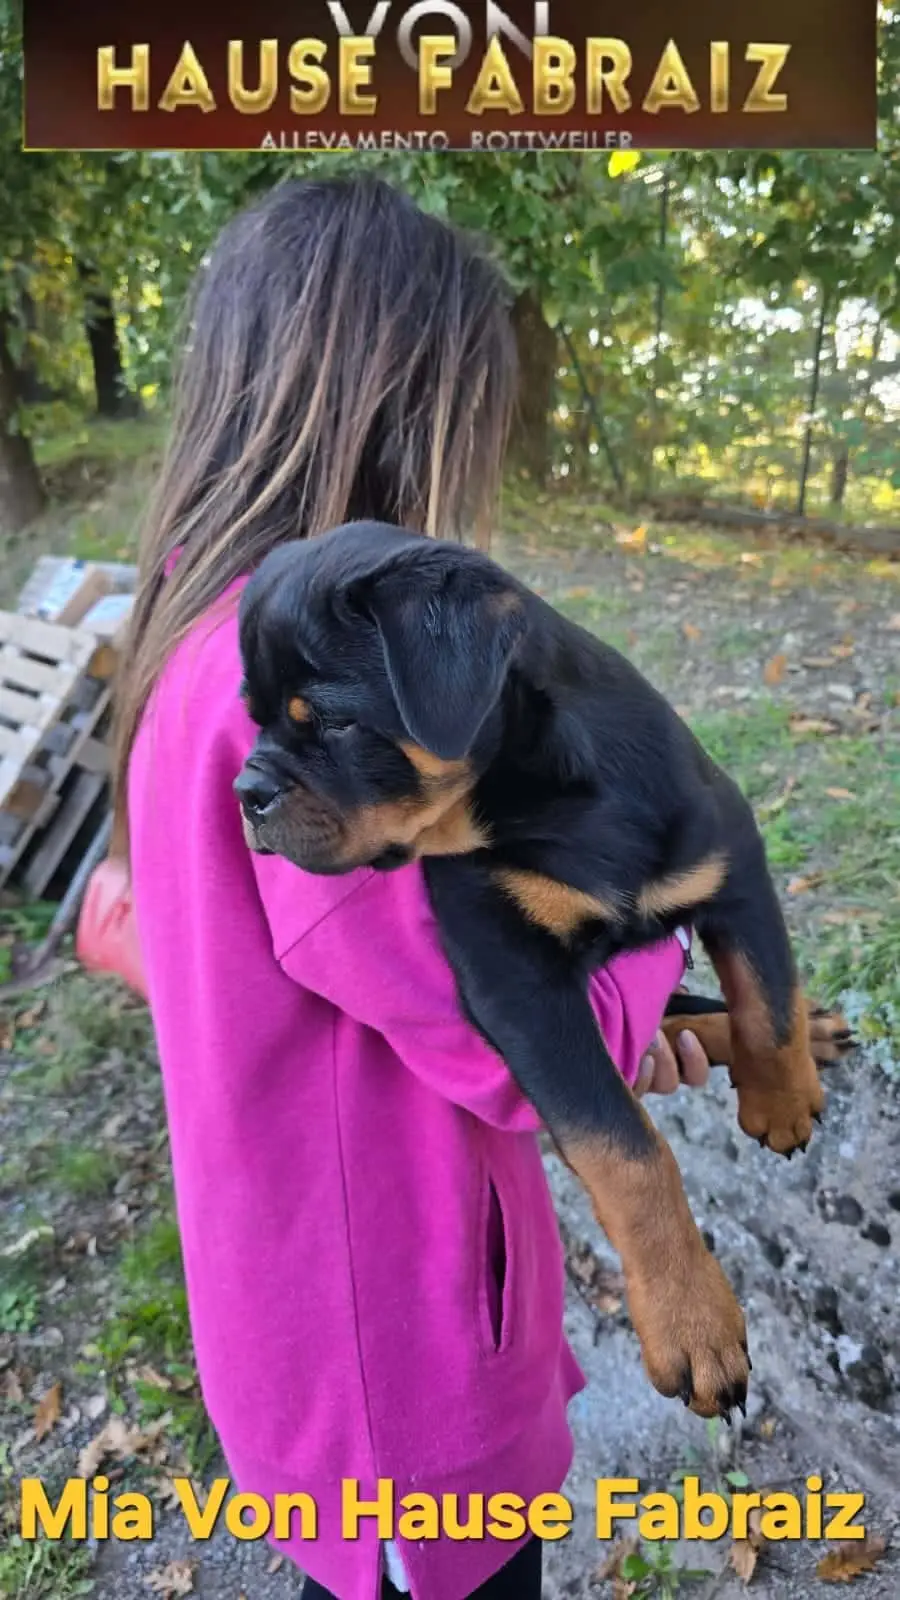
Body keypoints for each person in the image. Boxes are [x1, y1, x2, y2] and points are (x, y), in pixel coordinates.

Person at [114, 174, 712, 1600]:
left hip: (303, 1322)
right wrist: (645, 956)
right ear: (405, 410)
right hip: (402, 1372)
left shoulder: (195, 620)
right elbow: (505, 1039)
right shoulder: (321, 685)